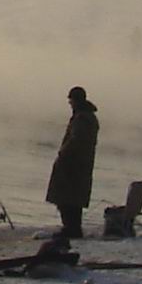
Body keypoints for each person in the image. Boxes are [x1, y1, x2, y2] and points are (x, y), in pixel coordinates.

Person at [45, 85, 99, 240]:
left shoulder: (82, 118)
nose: (70, 103)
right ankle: (73, 228)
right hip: (81, 165)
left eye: (71, 100)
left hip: (73, 165)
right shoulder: (87, 117)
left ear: (76, 100)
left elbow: (76, 140)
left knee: (66, 198)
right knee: (73, 200)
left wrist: (63, 153)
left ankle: (71, 229)